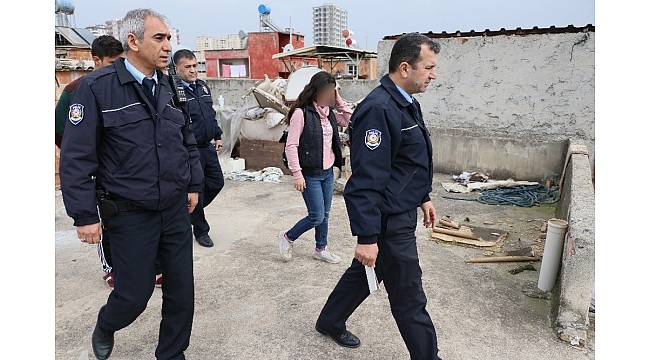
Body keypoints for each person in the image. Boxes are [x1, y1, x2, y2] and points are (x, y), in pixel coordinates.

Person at [59, 9, 203, 360]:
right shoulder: (97, 89)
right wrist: (83, 215)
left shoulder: (169, 85)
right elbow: (76, 157)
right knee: (133, 294)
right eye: (159, 38)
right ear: (133, 41)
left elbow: (185, 137)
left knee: (182, 290)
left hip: (172, 208)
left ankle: (171, 353)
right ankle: (107, 323)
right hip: (129, 213)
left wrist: (193, 184)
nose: (168, 45)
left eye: (169, 38)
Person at [315, 33, 442, 360]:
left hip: (400, 209)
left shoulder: (406, 102)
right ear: (404, 67)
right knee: (409, 295)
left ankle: (329, 320)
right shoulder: (378, 110)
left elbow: (407, 162)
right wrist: (368, 237)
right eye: (428, 67)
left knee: (365, 273)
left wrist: (423, 196)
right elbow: (366, 182)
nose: (433, 74)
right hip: (388, 220)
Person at [55, 35, 166, 290]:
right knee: (104, 221)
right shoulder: (79, 89)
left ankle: (154, 266)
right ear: (97, 60)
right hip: (97, 172)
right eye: (114, 62)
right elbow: (63, 133)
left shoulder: (128, 86)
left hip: (125, 171)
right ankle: (110, 267)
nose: (120, 66)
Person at [279, 71, 352, 263]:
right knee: (316, 216)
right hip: (309, 174)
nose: (330, 96)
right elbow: (291, 145)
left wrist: (338, 100)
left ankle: (321, 248)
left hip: (328, 172)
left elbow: (351, 118)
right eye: (328, 92)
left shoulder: (330, 114)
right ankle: (288, 237)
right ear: (316, 92)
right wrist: (297, 174)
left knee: (325, 214)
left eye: (332, 92)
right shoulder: (300, 113)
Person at [173, 49, 225, 248]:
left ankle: (189, 213)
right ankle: (201, 230)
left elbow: (209, 114)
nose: (193, 70)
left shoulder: (202, 86)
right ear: (176, 68)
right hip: (189, 151)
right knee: (196, 189)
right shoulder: (174, 91)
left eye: (195, 66)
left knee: (216, 183)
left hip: (207, 147)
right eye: (187, 67)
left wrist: (218, 134)